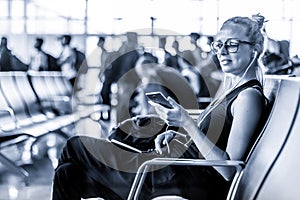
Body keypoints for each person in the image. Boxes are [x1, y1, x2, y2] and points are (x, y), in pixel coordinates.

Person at [52, 14, 268, 200]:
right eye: (218, 44)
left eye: (232, 44)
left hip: (180, 177)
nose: (222, 51)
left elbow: (228, 168)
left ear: (254, 50)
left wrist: (187, 123)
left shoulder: (248, 97)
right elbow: (210, 138)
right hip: (175, 166)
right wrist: (177, 133)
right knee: (67, 174)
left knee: (75, 145)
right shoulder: (233, 88)